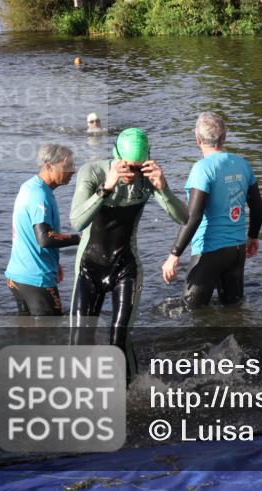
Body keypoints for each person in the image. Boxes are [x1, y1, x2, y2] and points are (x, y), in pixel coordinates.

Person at [69, 128, 188, 377]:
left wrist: (164, 188)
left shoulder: (148, 178)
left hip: (126, 267)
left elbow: (183, 218)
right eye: (127, 167)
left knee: (119, 338)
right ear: (117, 158)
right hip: (89, 267)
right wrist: (106, 188)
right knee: (80, 340)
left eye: (138, 167)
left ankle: (131, 392)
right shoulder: (93, 172)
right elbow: (77, 221)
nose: (133, 173)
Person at [162, 112, 262, 308]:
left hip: (209, 252)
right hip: (236, 251)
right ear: (224, 137)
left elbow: (193, 217)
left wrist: (174, 255)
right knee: (233, 310)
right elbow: (258, 207)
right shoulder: (243, 164)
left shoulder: (202, 169)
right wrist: (253, 237)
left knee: (191, 311)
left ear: (197, 139)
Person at [5, 144, 81, 316]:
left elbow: (28, 232)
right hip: (36, 279)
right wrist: (79, 238)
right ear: (49, 166)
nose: (73, 171)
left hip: (17, 276)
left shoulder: (29, 186)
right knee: (52, 330)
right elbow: (45, 238)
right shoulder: (39, 195)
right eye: (67, 166)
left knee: (28, 330)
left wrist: (54, 262)